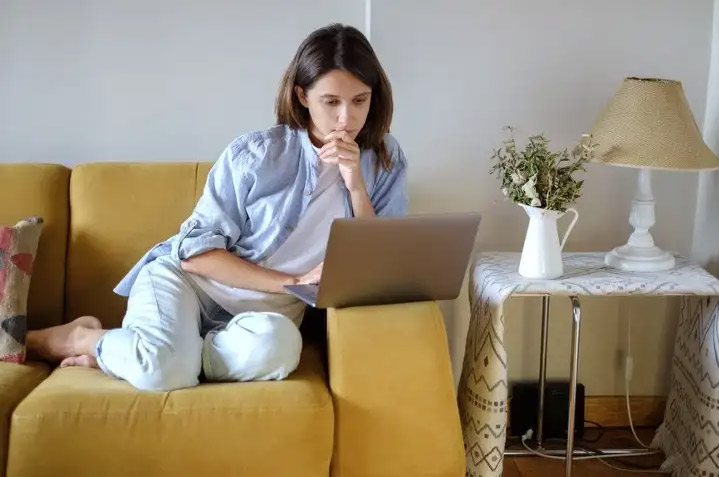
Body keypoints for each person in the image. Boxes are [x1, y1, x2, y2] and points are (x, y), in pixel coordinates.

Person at [26, 24, 407, 392]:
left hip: (264, 318)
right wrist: (292, 283)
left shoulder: (384, 162)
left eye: (360, 100)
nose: (347, 118)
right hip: (188, 285)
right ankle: (86, 338)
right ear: (302, 96)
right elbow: (194, 254)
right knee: (164, 370)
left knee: (279, 350)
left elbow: (377, 261)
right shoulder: (257, 155)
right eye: (331, 102)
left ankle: (154, 356)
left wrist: (354, 181)